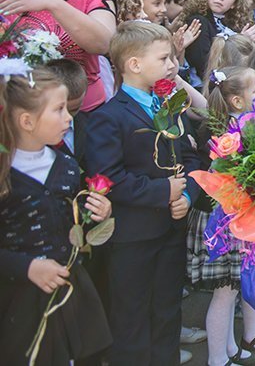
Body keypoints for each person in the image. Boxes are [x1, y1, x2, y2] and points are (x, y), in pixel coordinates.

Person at [85, 21, 203, 366]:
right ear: (134, 64)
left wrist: (187, 196)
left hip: (169, 231)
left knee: (167, 313)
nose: (172, 65)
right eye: (165, 58)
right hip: (131, 239)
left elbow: (192, 158)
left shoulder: (167, 107)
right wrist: (161, 190)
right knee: (131, 320)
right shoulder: (109, 117)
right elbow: (108, 178)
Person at [0, 66, 114, 366]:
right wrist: (28, 268)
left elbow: (70, 220)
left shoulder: (64, 165)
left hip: (71, 292)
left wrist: (97, 214)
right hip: (19, 300)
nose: (69, 118)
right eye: (59, 110)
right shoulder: (5, 174)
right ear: (27, 121)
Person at [189, 66, 255, 366]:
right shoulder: (232, 133)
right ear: (237, 101)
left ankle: (230, 348)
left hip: (234, 217)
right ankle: (217, 359)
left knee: (232, 290)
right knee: (224, 293)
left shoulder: (241, 125)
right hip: (221, 221)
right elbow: (219, 179)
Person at [180, 0, 255, 81]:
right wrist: (240, 42)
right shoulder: (199, 21)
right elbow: (204, 67)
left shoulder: (230, 22)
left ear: (234, 4)